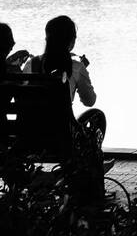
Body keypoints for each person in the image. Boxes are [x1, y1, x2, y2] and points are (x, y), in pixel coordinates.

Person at [23, 16, 107, 201]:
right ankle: (91, 178)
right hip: (61, 138)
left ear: (47, 38)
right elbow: (90, 101)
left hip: (30, 135)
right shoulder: (75, 67)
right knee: (97, 116)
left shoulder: (31, 65)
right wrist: (81, 72)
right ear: (71, 41)